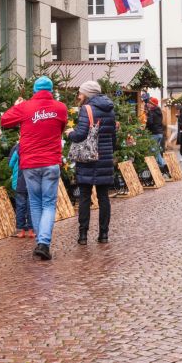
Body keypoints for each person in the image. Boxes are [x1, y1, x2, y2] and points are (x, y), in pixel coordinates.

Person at [0, 76, 68, 261]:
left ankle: (41, 242)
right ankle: (43, 243)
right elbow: (60, 128)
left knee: (36, 203)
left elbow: (4, 121)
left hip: (29, 163)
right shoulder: (60, 108)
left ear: (35, 90)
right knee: (48, 203)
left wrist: (16, 105)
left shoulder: (24, 107)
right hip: (51, 162)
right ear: (51, 90)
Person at [67, 81, 117, 245]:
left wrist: (70, 133)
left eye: (80, 93)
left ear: (87, 94)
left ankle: (83, 236)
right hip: (105, 157)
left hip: (87, 159)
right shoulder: (110, 109)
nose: (79, 96)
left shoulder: (86, 109)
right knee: (104, 197)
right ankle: (104, 235)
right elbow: (113, 136)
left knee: (85, 197)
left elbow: (81, 134)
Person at [8, 142, 34, 238]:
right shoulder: (34, 146)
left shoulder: (17, 148)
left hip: (19, 183)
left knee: (20, 207)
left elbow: (10, 164)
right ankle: (31, 231)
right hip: (32, 182)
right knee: (31, 206)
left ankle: (21, 231)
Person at [144, 97, 168, 174]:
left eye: (149, 103)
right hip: (159, 133)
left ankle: (163, 164)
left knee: (154, 150)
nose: (148, 104)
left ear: (152, 104)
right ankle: (160, 166)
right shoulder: (159, 111)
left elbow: (150, 122)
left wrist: (147, 120)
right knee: (155, 149)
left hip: (154, 133)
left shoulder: (151, 112)